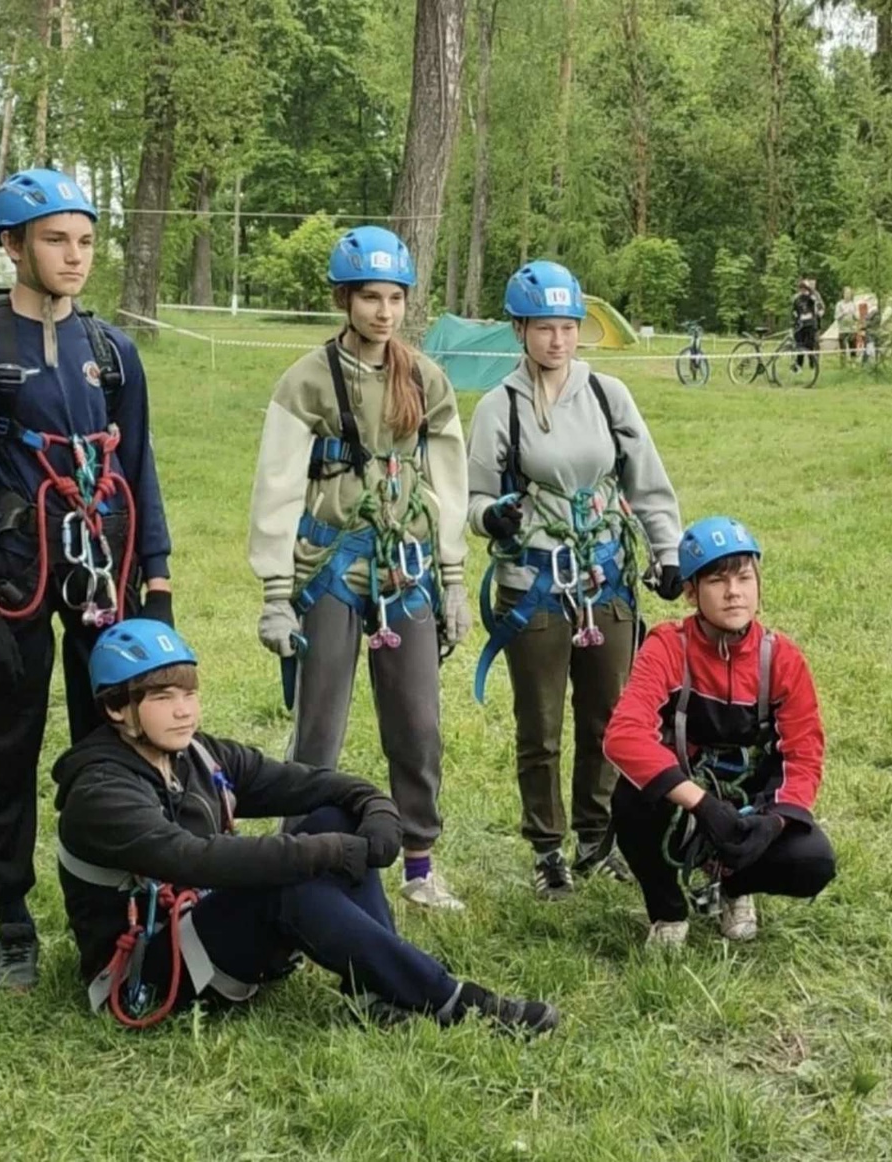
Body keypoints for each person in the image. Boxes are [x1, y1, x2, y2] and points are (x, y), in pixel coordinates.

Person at [51, 619, 560, 1035]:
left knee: (335, 816)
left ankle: (374, 992)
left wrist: (374, 809)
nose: (184, 710)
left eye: (190, 693)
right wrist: (328, 852)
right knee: (286, 880)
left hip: (205, 926)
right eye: (163, 697)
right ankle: (450, 999)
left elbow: (310, 784)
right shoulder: (99, 792)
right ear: (117, 707)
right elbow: (193, 858)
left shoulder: (198, 754)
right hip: (148, 970)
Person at [0, 168, 173, 989]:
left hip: (105, 570)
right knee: (7, 742)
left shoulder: (113, 353)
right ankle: (12, 919)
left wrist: (158, 580)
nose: (75, 256)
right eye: (56, 240)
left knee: (114, 740)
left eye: (87, 241)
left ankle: (113, 906)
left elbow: (139, 464)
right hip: (16, 571)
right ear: (12, 245)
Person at [246, 226, 472, 910]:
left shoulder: (424, 378)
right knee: (319, 727)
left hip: (405, 566)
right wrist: (276, 593)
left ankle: (420, 863)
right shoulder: (307, 380)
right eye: (371, 297)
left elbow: (448, 477)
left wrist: (453, 579)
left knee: (418, 723)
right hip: (329, 564)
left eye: (395, 298)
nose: (384, 311)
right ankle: (298, 858)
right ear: (344, 299)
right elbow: (277, 484)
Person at [465, 260, 683, 898]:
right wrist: (490, 516)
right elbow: (471, 496)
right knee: (539, 725)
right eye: (544, 328)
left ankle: (597, 837)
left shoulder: (608, 396)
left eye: (567, 327)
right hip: (533, 582)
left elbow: (647, 480)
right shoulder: (500, 407)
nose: (558, 340)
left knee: (608, 719)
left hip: (605, 580)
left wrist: (667, 551)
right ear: (520, 330)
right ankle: (546, 849)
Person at [605, 517, 836, 947]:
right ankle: (668, 910)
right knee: (631, 800)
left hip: (751, 800)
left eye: (744, 578)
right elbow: (623, 735)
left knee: (813, 860)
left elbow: (804, 755)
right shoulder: (667, 647)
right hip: (687, 794)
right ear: (691, 592)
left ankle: (734, 884)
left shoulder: (782, 659)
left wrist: (776, 821)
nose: (734, 592)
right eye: (717, 580)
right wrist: (702, 804)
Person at [790, 278, 824, 372]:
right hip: (800, 325)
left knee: (810, 345)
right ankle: (798, 366)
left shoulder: (812, 298)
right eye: (801, 289)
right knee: (799, 346)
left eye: (804, 288)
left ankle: (812, 364)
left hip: (810, 325)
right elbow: (794, 311)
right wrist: (795, 318)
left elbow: (818, 307)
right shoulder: (797, 299)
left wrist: (810, 294)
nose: (802, 291)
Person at [833, 286, 858, 365]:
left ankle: (853, 363)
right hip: (842, 330)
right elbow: (836, 317)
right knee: (843, 348)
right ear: (843, 294)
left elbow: (857, 317)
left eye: (849, 293)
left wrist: (855, 315)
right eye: (846, 293)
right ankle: (843, 364)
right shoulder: (839, 304)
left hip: (852, 329)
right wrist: (843, 313)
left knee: (853, 346)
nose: (848, 295)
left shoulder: (853, 304)